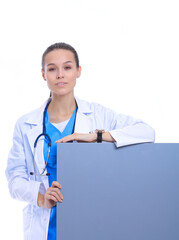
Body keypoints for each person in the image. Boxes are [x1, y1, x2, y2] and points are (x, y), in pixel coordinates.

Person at [6, 42, 155, 240]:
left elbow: (147, 132)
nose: (60, 75)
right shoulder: (26, 124)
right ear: (43, 74)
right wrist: (41, 197)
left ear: (78, 71)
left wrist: (97, 136)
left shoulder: (98, 115)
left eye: (67, 67)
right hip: (44, 226)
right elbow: (15, 178)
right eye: (52, 69)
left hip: (89, 218)